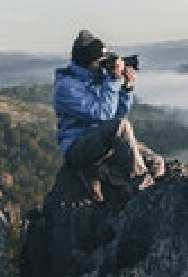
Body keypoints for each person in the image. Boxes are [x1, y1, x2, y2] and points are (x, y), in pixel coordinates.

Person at [53, 30, 164, 201]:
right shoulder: (67, 87)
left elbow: (116, 115)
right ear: (87, 62)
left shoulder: (98, 78)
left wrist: (127, 89)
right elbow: (104, 115)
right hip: (77, 146)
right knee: (122, 127)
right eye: (100, 61)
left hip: (102, 142)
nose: (104, 65)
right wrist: (112, 81)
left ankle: (108, 176)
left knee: (156, 163)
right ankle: (141, 190)